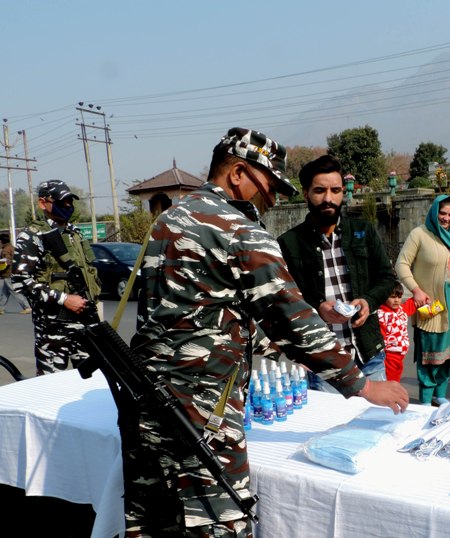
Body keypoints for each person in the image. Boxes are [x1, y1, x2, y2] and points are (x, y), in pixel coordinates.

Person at [127, 128, 408, 537]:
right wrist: (362, 386)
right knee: (219, 523)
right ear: (239, 173)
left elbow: (197, 314)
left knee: (152, 521)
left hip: (148, 399)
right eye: (269, 185)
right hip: (203, 410)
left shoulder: (170, 219)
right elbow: (293, 320)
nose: (272, 198)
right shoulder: (238, 230)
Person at [277, 155, 395, 390]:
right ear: (306, 194)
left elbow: (387, 277)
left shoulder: (363, 231)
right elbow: (284, 299)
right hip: (324, 360)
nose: (328, 198)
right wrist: (318, 306)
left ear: (343, 192)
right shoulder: (289, 243)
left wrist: (368, 301)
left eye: (335, 190)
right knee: (331, 425)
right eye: (320, 190)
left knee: (376, 423)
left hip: (369, 355)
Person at [395, 194, 450, 406]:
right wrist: (415, 290)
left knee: (447, 352)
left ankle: (440, 395)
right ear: (434, 212)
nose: (446, 218)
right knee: (429, 353)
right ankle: (425, 399)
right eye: (442, 213)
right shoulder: (420, 234)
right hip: (430, 304)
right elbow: (401, 264)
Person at [11, 180, 101, 375]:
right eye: (62, 202)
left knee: (91, 381)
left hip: (84, 323)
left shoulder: (74, 233)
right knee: (50, 387)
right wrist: (64, 299)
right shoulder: (32, 236)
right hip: (53, 329)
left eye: (70, 201)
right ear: (43, 203)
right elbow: (21, 282)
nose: (68, 206)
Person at [377, 281, 417, 383]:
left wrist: (420, 295)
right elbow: (380, 335)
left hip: (400, 354)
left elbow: (411, 304)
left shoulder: (400, 310)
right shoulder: (382, 314)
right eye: (393, 297)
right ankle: (389, 397)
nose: (396, 300)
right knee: (390, 379)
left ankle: (392, 396)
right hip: (389, 354)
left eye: (399, 297)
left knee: (396, 376)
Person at [0, 233, 32, 315]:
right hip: (13, 272)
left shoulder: (5, 250)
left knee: (15, 291)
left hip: (8, 274)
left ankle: (27, 307)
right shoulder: (12, 247)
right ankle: (1, 308)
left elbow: (7, 261)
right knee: (5, 292)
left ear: (1, 241)